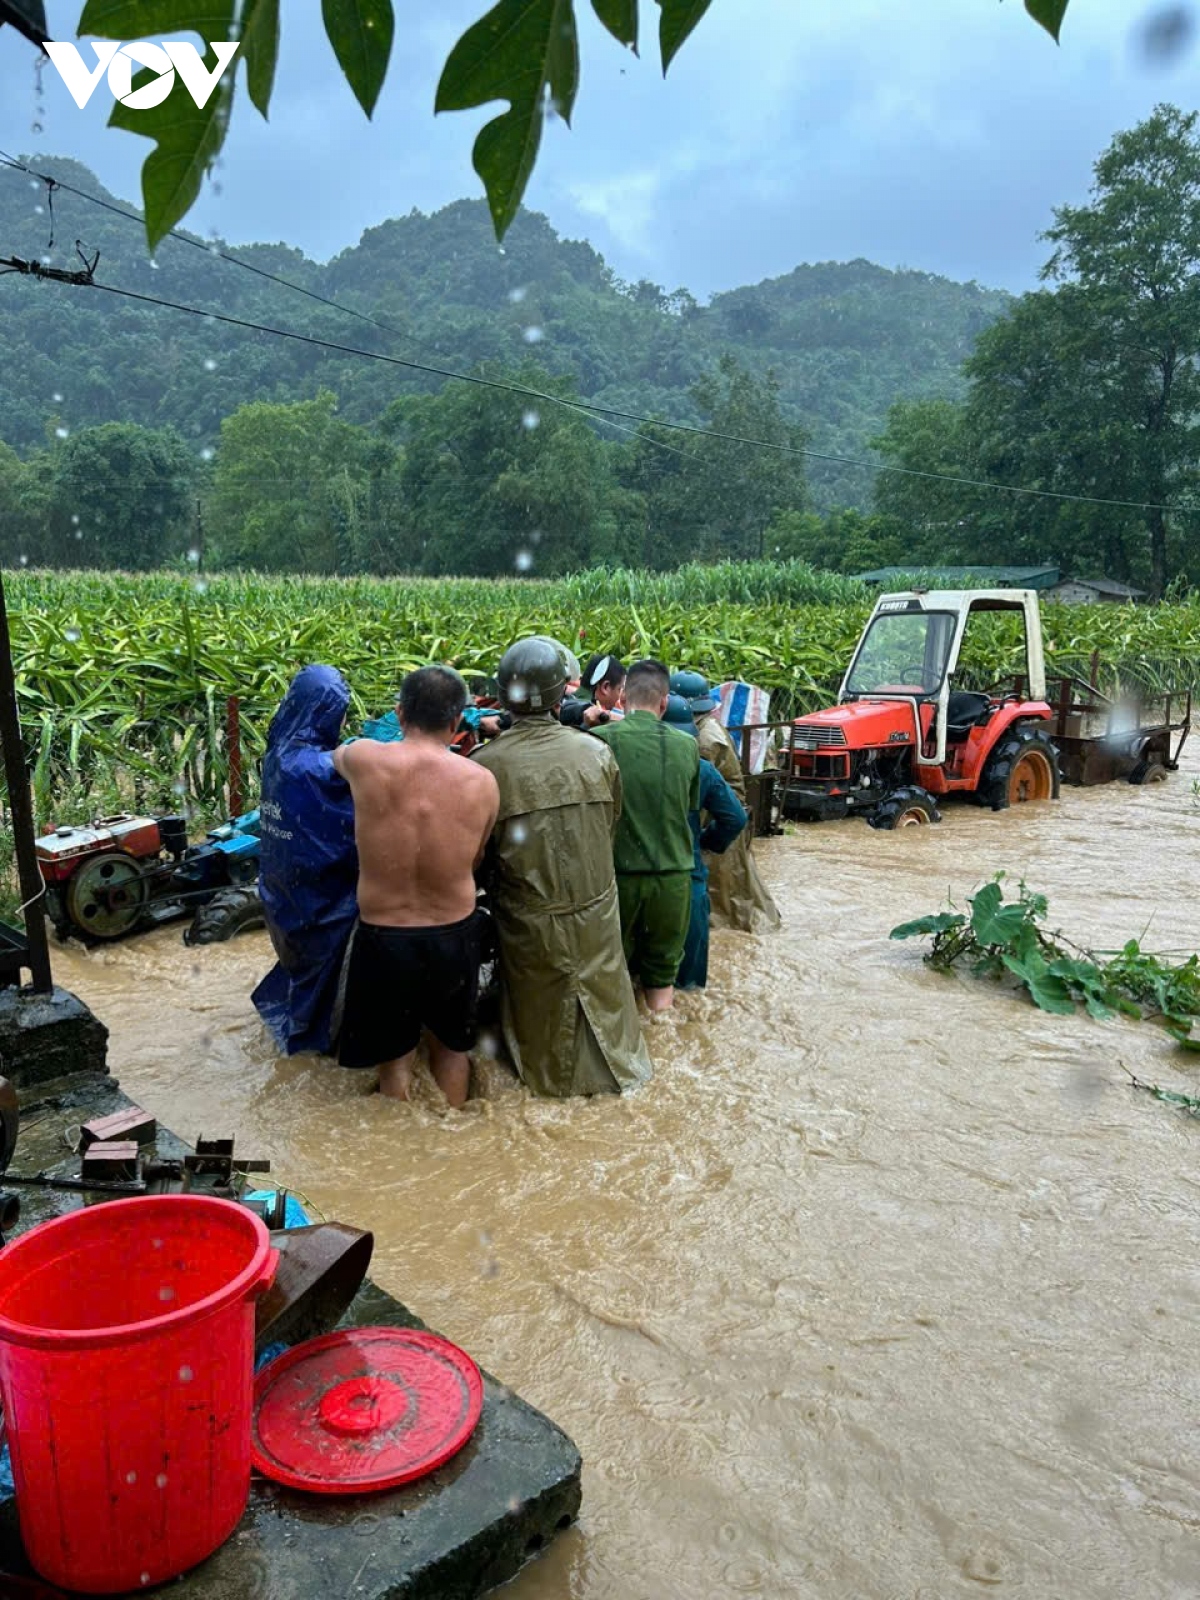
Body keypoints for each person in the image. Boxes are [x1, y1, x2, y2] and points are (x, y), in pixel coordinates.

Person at [472, 635, 652, 1097]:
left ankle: (552, 1087)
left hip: (529, 925)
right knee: (611, 1027)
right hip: (596, 913)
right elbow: (608, 827)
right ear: (560, 693)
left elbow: (477, 861)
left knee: (542, 1045)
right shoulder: (596, 753)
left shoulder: (484, 767)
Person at [331, 666, 500, 1107]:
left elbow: (336, 756)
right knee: (451, 1048)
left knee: (394, 1056)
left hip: (385, 935)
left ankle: (402, 1141)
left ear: (399, 712)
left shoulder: (366, 760)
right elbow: (477, 857)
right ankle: (454, 1133)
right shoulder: (482, 782)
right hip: (453, 933)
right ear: (456, 721)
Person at [252, 665, 359, 1057]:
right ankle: (321, 1040)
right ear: (326, 711)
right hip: (323, 893)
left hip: (284, 890)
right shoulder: (323, 769)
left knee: (304, 965)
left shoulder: (278, 752)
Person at [591, 660, 699, 1012]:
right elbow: (690, 807)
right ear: (665, 702)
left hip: (615, 881)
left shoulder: (597, 742)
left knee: (610, 978)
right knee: (661, 980)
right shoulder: (687, 747)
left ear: (622, 698)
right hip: (673, 879)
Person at [669, 670, 782, 934]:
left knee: (722, 901)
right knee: (735, 892)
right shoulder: (707, 726)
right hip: (727, 816)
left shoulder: (704, 741)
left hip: (718, 820)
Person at [661, 694, 749, 990]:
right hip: (689, 871)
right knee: (688, 987)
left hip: (642, 876)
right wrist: (706, 840)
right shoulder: (701, 760)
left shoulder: (626, 761)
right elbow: (735, 818)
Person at [560, 653, 626, 729]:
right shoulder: (589, 714)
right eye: (619, 689)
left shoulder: (563, 701)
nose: (619, 696)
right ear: (605, 687)